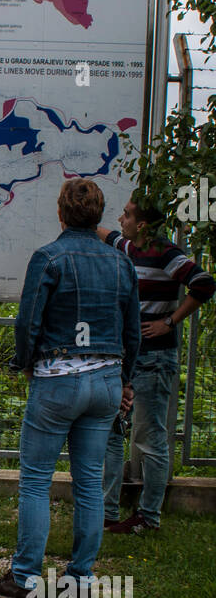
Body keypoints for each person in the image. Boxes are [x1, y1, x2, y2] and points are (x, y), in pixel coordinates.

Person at [0, 178, 140, 598]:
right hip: (107, 379)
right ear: (100, 216)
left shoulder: (49, 258)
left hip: (57, 378)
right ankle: (81, 580)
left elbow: (27, 321)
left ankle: (25, 580)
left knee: (36, 481)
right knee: (89, 481)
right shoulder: (120, 264)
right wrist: (125, 379)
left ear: (61, 212)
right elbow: (132, 330)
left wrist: (23, 362)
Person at [99, 197, 215, 533]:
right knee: (112, 430)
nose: (121, 219)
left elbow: (204, 284)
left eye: (127, 215)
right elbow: (106, 234)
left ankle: (149, 517)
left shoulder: (165, 253)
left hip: (155, 357)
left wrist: (171, 320)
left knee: (149, 438)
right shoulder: (130, 248)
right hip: (129, 356)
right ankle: (108, 513)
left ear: (143, 225)